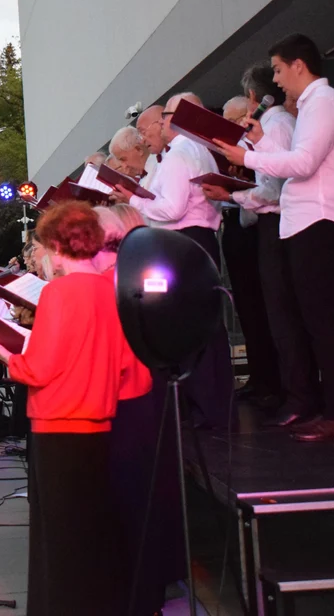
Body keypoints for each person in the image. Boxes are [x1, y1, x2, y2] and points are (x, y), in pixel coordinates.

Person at [0, 201, 151, 616]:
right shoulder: (112, 289)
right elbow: (129, 367)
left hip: (58, 426)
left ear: (56, 244)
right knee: (90, 531)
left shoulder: (58, 292)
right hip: (100, 425)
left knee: (59, 536)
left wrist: (2, 354)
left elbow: (41, 369)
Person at [215, 34, 334, 442]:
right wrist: (260, 144)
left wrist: (248, 157)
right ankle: (329, 407)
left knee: (322, 321)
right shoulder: (313, 106)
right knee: (313, 320)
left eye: (278, 68)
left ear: (299, 65)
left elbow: (304, 161)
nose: (276, 80)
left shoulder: (323, 103)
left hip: (322, 221)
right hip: (307, 221)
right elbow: (300, 159)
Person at [115, 92, 235, 431]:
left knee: (192, 329)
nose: (158, 128)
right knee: (202, 328)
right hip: (195, 242)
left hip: (187, 242)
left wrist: (134, 201)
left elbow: (171, 209)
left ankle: (206, 409)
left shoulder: (182, 152)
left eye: (165, 117)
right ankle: (211, 408)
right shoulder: (193, 150)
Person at [205, 66, 297, 412]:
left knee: (274, 310)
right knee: (254, 309)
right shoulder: (263, 132)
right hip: (246, 223)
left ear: (253, 105)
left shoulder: (273, 128)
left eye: (237, 118)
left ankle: (286, 389)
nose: (235, 127)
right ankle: (267, 381)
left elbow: (272, 189)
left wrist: (233, 190)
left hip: (266, 222)